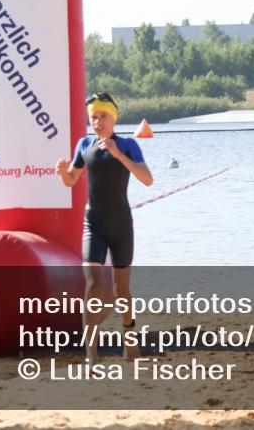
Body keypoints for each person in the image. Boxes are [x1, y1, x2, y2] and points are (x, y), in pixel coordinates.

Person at [56, 92, 153, 364]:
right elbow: (71, 180)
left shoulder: (128, 145)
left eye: (102, 116)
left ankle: (129, 340)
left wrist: (117, 153)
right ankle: (91, 351)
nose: (97, 122)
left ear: (113, 118)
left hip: (121, 224)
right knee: (93, 285)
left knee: (122, 290)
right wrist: (64, 172)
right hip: (94, 223)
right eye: (93, 117)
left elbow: (147, 179)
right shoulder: (84, 144)